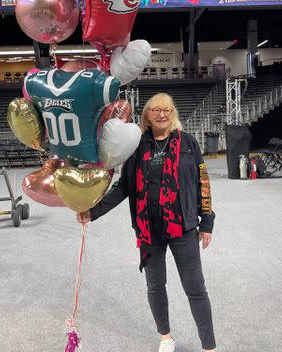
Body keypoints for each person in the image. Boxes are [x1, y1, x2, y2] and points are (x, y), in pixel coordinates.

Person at [77, 93, 216, 352]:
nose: (161, 114)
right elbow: (123, 187)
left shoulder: (188, 143)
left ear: (173, 113)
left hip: (183, 228)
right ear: (147, 115)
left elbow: (203, 183)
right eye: (155, 110)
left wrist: (206, 222)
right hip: (149, 231)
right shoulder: (137, 146)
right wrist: (93, 211)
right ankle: (165, 336)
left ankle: (209, 346)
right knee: (155, 286)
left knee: (196, 288)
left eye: (166, 109)